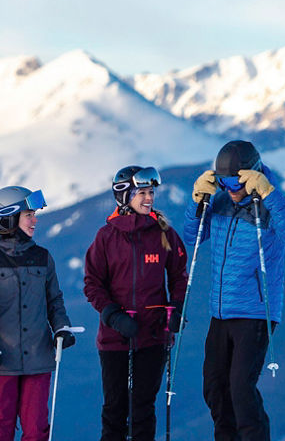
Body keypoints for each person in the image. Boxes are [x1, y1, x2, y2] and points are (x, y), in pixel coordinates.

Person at [183, 140, 285, 441]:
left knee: (240, 388)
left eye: (237, 181)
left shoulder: (270, 205)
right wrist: (198, 201)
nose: (231, 188)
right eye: (223, 182)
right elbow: (192, 237)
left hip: (256, 312)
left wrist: (269, 193)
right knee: (214, 387)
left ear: (253, 175)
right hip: (221, 311)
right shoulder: (222, 201)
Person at [83, 165, 189, 441]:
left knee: (142, 407)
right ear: (124, 196)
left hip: (154, 335)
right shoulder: (106, 237)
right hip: (115, 335)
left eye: (151, 192)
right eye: (142, 192)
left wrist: (177, 308)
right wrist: (113, 315)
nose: (149, 198)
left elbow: (179, 275)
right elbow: (92, 283)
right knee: (115, 408)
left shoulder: (164, 233)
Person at [0, 186, 74, 441]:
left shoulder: (43, 257)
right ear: (9, 217)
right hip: (0, 360)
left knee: (36, 430)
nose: (35, 220)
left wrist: (62, 328)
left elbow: (54, 300)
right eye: (29, 215)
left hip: (39, 357)